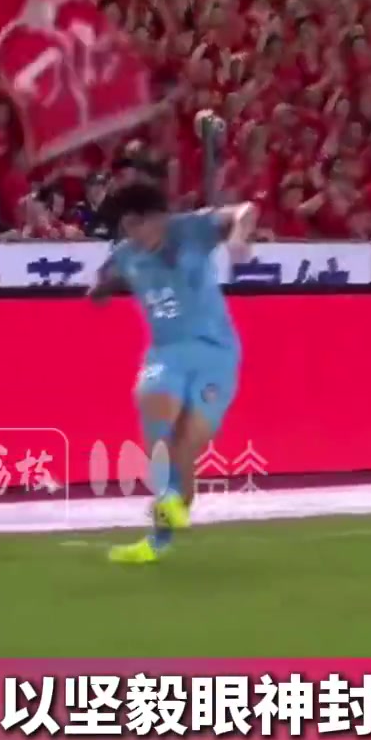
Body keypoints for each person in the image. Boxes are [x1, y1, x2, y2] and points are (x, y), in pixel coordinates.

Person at [90, 178, 257, 565]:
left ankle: (165, 526)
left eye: (137, 224)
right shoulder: (126, 253)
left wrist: (238, 238)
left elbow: (245, 210)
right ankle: (165, 507)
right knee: (153, 404)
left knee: (186, 445)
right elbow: (110, 273)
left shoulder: (191, 229)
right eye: (126, 227)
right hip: (166, 352)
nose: (132, 234)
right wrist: (101, 289)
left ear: (158, 217)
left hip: (216, 352)